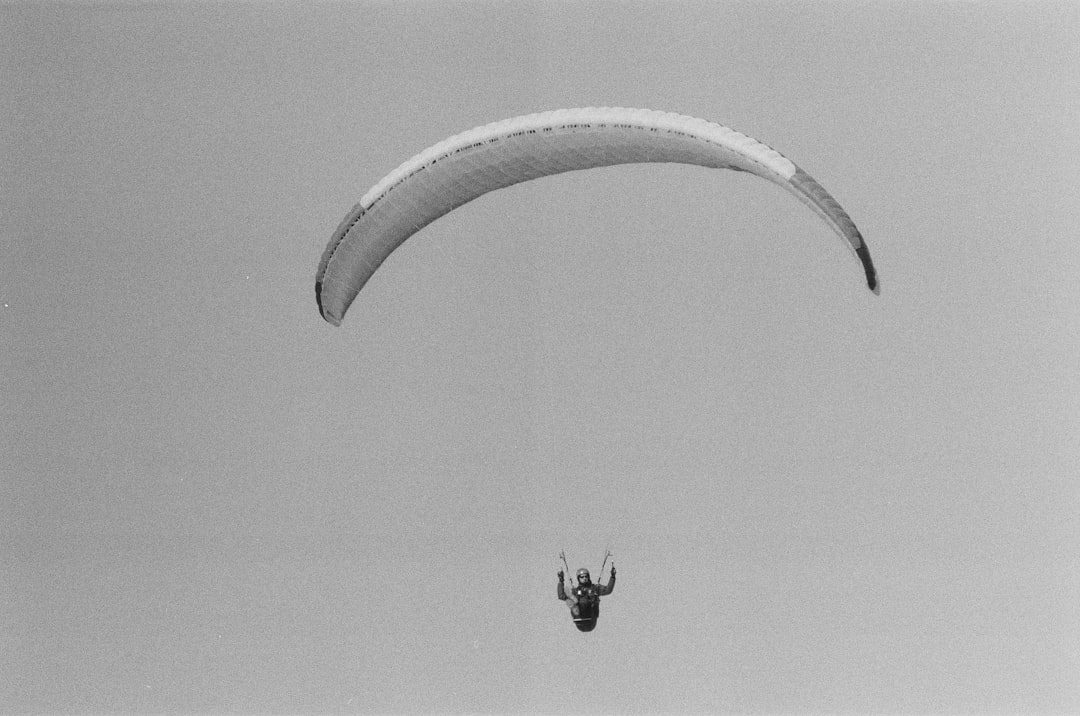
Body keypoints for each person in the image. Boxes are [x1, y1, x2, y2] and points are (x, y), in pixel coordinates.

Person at [557, 563, 615, 632]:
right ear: (578, 578)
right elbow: (561, 596)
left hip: (591, 621)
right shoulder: (575, 591)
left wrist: (612, 577)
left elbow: (608, 590)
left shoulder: (595, 588)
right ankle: (578, 613)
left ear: (588, 577)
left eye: (586, 576)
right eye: (582, 577)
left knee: (585, 600)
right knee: (574, 599)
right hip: (580, 623)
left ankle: (583, 610)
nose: (584, 578)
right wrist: (561, 581)